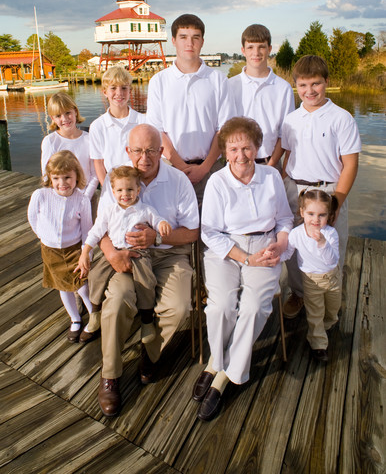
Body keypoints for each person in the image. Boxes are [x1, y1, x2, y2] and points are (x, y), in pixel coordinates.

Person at [94, 124, 199, 417]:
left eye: (151, 150)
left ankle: (149, 352)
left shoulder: (178, 181)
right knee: (116, 304)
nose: (145, 157)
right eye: (138, 150)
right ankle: (110, 376)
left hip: (168, 255)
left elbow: (192, 232)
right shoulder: (117, 180)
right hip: (128, 257)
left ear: (161, 151)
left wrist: (159, 237)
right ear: (128, 151)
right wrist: (111, 253)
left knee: (179, 309)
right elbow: (100, 227)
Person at [193, 117, 293, 421]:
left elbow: (285, 220)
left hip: (264, 245)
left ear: (257, 147)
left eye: (246, 147)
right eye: (233, 149)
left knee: (253, 307)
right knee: (221, 304)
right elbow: (208, 232)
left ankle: (223, 376)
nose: (240, 155)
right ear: (225, 151)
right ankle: (215, 360)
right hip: (226, 248)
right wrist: (243, 258)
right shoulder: (218, 182)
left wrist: (280, 242)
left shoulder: (271, 177)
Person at [281, 55, 361, 319]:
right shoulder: (291, 119)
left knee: (330, 246)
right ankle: (299, 293)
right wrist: (283, 186)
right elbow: (287, 156)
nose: (309, 91)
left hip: (328, 191)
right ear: (296, 86)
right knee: (296, 244)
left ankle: (331, 296)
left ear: (327, 81)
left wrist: (337, 199)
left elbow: (350, 164)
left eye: (315, 84)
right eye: (302, 85)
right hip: (297, 190)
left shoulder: (341, 117)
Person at [77, 165, 172, 345]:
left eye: (130, 189)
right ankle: (95, 313)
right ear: (113, 191)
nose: (125, 194)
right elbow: (96, 231)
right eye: (120, 190)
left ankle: (146, 320)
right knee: (96, 275)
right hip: (115, 251)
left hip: (138, 253)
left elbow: (157, 219)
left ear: (138, 190)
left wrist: (162, 225)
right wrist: (85, 252)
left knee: (146, 280)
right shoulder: (109, 211)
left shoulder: (145, 210)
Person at [146, 13, 235, 204]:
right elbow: (157, 130)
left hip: (211, 169)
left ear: (202, 41)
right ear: (173, 41)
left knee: (211, 229)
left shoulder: (218, 80)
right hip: (170, 169)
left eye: (195, 37)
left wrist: (203, 168)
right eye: (183, 37)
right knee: (173, 229)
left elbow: (225, 130)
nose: (190, 43)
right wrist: (180, 166)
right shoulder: (159, 82)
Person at [27, 150, 93, 343]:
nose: (62, 183)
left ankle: (95, 316)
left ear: (77, 177)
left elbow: (87, 228)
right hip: (50, 250)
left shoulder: (81, 199)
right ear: (49, 178)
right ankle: (75, 318)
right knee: (62, 286)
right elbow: (32, 217)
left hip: (74, 249)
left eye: (67, 177)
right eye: (56, 178)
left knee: (82, 285)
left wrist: (85, 253)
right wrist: (43, 235)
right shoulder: (40, 195)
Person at [281, 190, 340, 362]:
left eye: (321, 215)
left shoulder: (330, 234)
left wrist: (322, 243)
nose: (315, 220)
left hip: (332, 277)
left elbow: (332, 260)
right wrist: (276, 258)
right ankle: (318, 343)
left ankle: (326, 324)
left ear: (329, 216)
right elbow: (287, 253)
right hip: (311, 279)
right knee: (315, 312)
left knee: (332, 309)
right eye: (311, 214)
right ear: (302, 213)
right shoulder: (296, 234)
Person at [229, 24, 294, 166]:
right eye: (250, 47)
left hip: (269, 162)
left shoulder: (283, 88)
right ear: (243, 51)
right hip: (236, 164)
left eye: (261, 47)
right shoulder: (230, 86)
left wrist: (270, 165)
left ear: (269, 49)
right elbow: (224, 129)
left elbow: (284, 135)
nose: (256, 52)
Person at [89, 65, 146, 188]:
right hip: (112, 186)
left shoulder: (143, 121)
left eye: (124, 88)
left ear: (130, 91)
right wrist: (107, 190)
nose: (119, 93)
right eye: (113, 88)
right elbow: (98, 162)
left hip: (140, 184)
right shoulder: (97, 126)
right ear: (105, 92)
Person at [41, 91, 98, 202]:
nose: (65, 119)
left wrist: (84, 198)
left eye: (68, 113)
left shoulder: (89, 139)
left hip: (86, 197)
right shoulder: (50, 142)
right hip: (60, 198)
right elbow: (46, 175)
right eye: (58, 116)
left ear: (75, 111)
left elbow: (94, 174)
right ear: (52, 118)